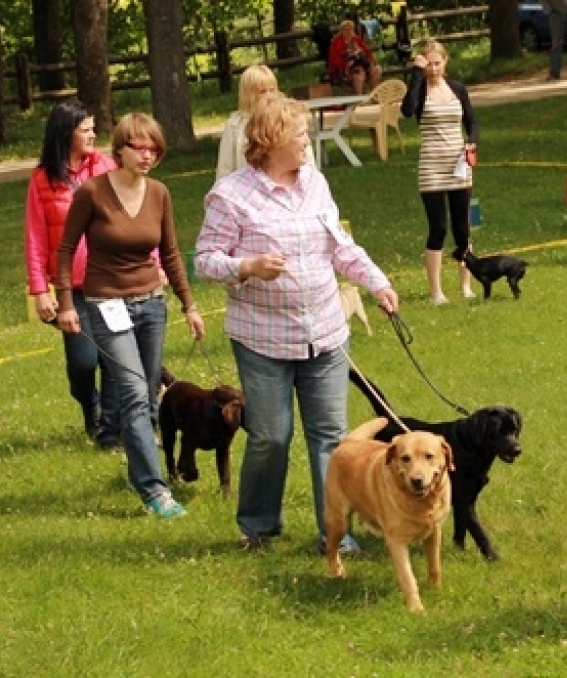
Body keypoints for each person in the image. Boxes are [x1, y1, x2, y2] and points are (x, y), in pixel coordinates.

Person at [194, 94, 399, 552]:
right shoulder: (231, 196)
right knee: (270, 437)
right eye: (300, 135)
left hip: (324, 331)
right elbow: (205, 261)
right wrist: (246, 266)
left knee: (331, 437)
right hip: (263, 338)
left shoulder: (315, 183)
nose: (308, 141)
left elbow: (340, 246)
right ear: (271, 141)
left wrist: (377, 283)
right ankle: (258, 527)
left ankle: (336, 535)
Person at [55, 112, 205, 519]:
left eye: (154, 148)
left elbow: (170, 253)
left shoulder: (159, 193)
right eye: (139, 147)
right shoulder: (92, 192)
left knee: (150, 392)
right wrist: (66, 302)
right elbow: (65, 249)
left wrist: (189, 305)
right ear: (119, 149)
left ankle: (141, 469)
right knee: (134, 394)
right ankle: (155, 491)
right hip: (106, 304)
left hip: (151, 304)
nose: (147, 155)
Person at [24, 100, 120, 448]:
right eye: (86, 130)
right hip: (71, 289)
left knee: (114, 358)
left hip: (111, 281)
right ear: (66, 134)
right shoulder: (42, 179)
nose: (94, 135)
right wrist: (40, 290)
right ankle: (88, 403)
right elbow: (35, 238)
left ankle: (109, 426)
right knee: (83, 362)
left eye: (94, 128)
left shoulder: (107, 167)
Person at [400, 38, 477, 305]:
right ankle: (436, 291)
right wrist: (415, 74)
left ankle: (466, 285)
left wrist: (472, 141)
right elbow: (407, 111)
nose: (433, 69)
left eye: (437, 63)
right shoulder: (420, 90)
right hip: (431, 166)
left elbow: (472, 122)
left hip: (458, 165)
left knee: (462, 228)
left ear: (445, 62)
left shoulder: (458, 89)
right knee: (439, 228)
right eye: (428, 64)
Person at [216, 64, 314, 182]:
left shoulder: (288, 118)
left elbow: (306, 157)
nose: (268, 96)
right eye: (262, 92)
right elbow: (225, 168)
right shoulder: (235, 126)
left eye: (271, 90)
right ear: (248, 95)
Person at [328, 19, 382, 95]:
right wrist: (347, 64)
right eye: (346, 30)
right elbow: (334, 60)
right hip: (344, 69)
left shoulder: (357, 39)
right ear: (341, 31)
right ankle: (359, 97)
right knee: (358, 73)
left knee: (377, 70)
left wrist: (372, 62)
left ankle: (373, 94)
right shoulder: (335, 42)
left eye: (350, 29)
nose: (348, 32)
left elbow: (367, 52)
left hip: (362, 63)